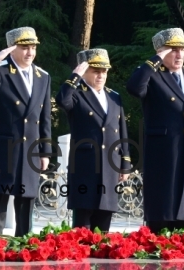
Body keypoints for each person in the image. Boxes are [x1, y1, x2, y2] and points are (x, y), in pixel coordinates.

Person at [126, 27, 184, 233]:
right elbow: (134, 88)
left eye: (182, 49)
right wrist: (155, 60)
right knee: (162, 207)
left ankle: (182, 245)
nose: (179, 54)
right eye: (173, 49)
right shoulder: (152, 75)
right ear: (161, 51)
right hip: (164, 151)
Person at [0, 27, 52, 236]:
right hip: (5, 148)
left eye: (33, 47)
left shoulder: (42, 76)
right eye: (24, 47)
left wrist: (45, 151)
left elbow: (45, 118)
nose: (30, 52)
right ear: (12, 49)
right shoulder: (0, 71)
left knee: (26, 201)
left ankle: (24, 245)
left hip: (30, 149)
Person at [55, 48, 132, 232]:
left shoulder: (114, 96)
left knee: (104, 223)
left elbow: (122, 132)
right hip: (85, 166)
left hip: (110, 166)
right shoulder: (76, 94)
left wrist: (125, 163)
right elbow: (62, 100)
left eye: (104, 71)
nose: (101, 75)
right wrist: (75, 76)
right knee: (83, 225)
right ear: (84, 72)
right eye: (95, 71)